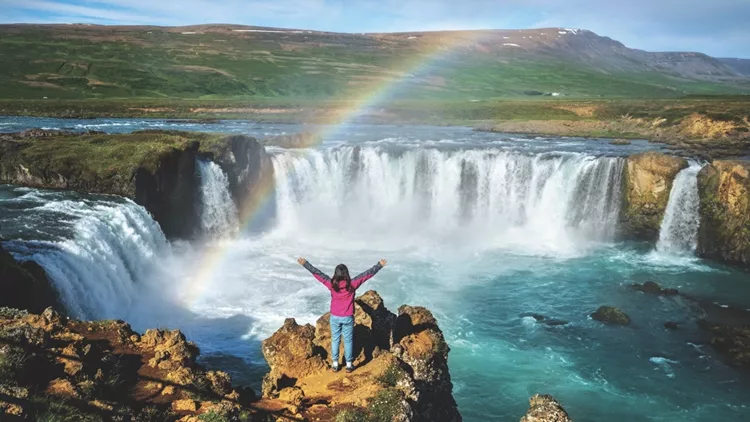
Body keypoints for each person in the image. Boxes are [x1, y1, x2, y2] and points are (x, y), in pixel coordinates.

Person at [298, 257, 387, 373]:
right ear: (346, 274)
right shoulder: (352, 285)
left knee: (336, 339)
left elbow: (318, 274)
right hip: (348, 317)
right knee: (348, 341)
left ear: (336, 274)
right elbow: (366, 275)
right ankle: (349, 365)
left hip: (335, 317)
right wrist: (379, 265)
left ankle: (335, 364)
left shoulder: (332, 285)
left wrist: (305, 264)